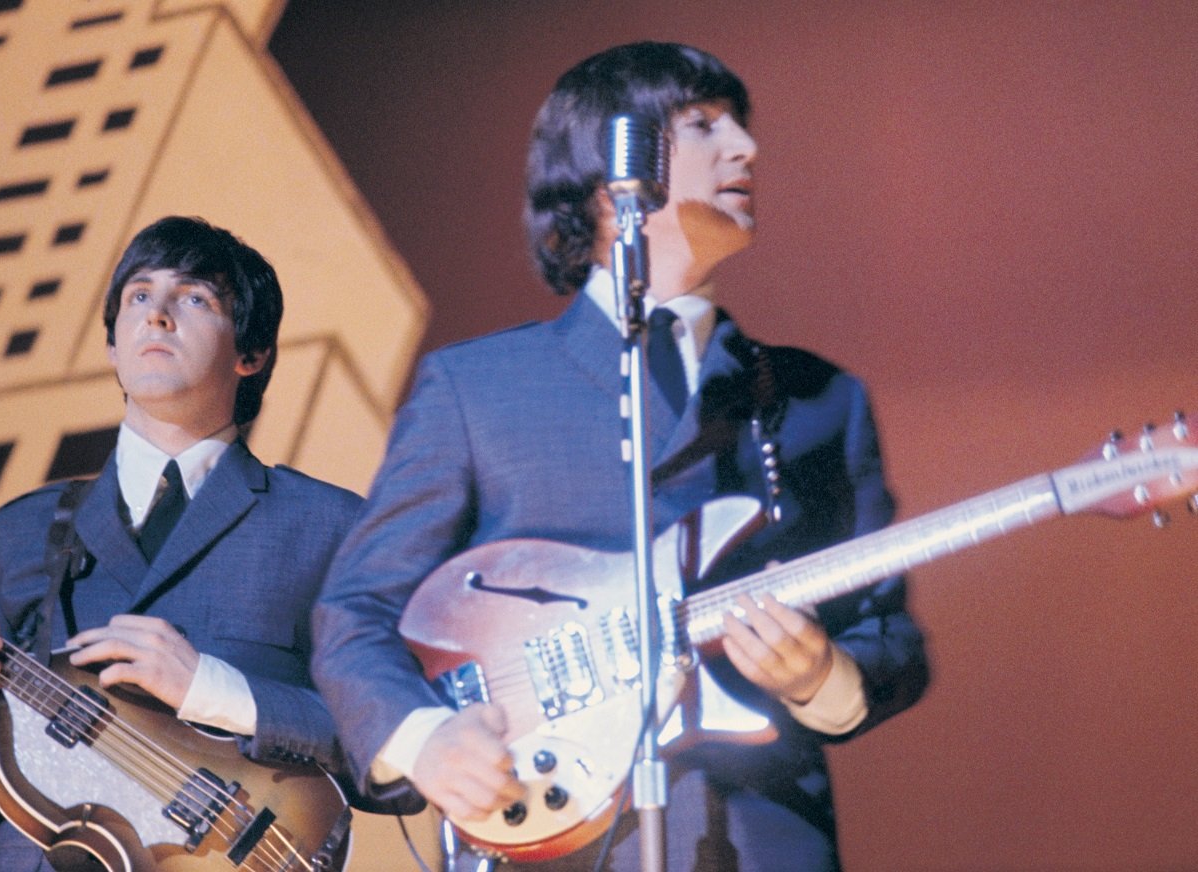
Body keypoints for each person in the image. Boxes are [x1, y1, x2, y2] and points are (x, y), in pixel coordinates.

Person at [311, 42, 931, 871]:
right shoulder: (475, 386)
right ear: (613, 170)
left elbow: (888, 634)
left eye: (741, 125)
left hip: (760, 838)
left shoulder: (820, 397)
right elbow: (354, 615)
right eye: (705, 125)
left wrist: (822, 678)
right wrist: (425, 741)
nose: (746, 147)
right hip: (543, 830)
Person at [0, 216, 363, 871]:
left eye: (195, 299)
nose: (158, 316)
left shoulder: (329, 524)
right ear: (113, 346)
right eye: (139, 297)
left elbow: (395, 760)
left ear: (252, 353)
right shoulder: (18, 530)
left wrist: (212, 689)